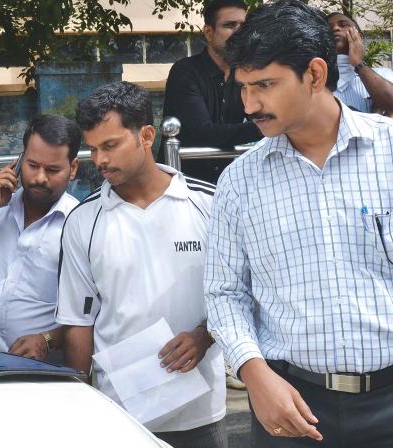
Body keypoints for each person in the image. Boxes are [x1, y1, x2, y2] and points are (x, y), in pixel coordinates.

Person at [205, 1, 393, 446]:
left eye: (265, 85)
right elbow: (223, 293)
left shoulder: (388, 154)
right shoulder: (240, 181)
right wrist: (254, 376)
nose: (250, 105)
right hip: (288, 405)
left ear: (314, 74)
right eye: (244, 87)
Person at [59, 82, 227, 448]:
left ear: (147, 135)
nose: (99, 160)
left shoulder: (210, 205)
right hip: (119, 415)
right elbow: (78, 324)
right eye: (93, 148)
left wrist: (205, 336)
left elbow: (237, 293)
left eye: (110, 145)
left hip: (201, 412)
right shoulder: (82, 222)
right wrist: (83, 401)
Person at [0, 114, 79, 360]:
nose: (40, 177)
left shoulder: (78, 225)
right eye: (32, 165)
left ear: (73, 169)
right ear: (18, 163)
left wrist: (47, 340)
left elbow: (90, 313)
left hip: (39, 368)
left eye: (52, 170)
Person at [161, 0, 262, 181]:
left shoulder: (246, 74)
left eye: (244, 26)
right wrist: (264, 128)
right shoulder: (185, 71)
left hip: (227, 183)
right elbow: (201, 133)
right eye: (230, 25)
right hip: (185, 186)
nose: (239, 32)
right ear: (209, 32)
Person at [327, 12, 393, 115]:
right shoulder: (315, 80)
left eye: (343, 25)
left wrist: (358, 64)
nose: (335, 28)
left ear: (360, 36)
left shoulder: (384, 75)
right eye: (328, 28)